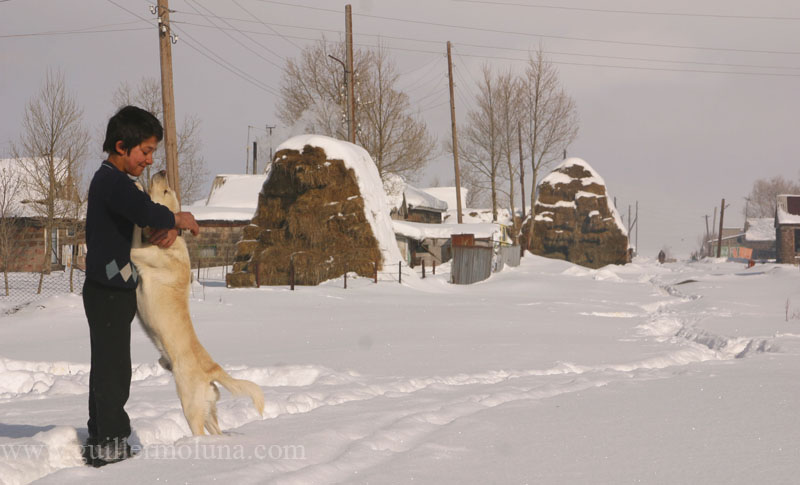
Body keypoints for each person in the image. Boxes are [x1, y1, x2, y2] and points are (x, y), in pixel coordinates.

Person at [82, 106, 200, 467]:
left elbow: (139, 220)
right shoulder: (111, 182)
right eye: (145, 151)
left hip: (115, 289)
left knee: (109, 364)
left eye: (152, 152)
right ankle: (110, 443)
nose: (150, 160)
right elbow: (146, 211)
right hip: (106, 292)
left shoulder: (120, 183)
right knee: (113, 368)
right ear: (121, 146)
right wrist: (177, 218)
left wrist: (161, 228)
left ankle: (101, 433)